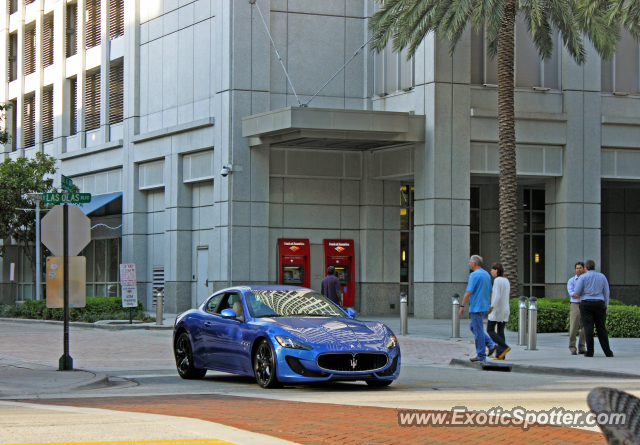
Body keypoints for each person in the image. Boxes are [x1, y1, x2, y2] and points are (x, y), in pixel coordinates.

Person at [572, 260, 613, 358]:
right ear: (594, 267)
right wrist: (606, 305)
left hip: (586, 303)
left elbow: (577, 292)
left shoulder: (582, 277)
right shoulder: (602, 276)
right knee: (601, 328)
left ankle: (590, 352)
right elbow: (606, 292)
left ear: (585, 268)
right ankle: (608, 352)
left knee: (588, 328)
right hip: (599, 303)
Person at [459, 255, 496, 362]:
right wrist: (489, 304)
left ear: (474, 263)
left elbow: (468, 292)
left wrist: (462, 306)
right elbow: (490, 291)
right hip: (483, 306)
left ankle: (481, 355)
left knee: (478, 330)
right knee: (474, 328)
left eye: (470, 262)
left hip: (476, 306)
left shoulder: (474, 275)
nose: (469, 263)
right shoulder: (486, 274)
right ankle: (490, 344)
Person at [487, 263, 511, 360]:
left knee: (490, 329)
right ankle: (500, 354)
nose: (491, 272)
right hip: (505, 309)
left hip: (497, 309)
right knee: (500, 331)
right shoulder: (506, 280)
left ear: (496, 270)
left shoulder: (497, 280)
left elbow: (497, 296)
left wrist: (492, 307)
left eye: (492, 270)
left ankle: (504, 346)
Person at [567, 261, 587, 355]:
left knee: (585, 327)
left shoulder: (587, 279)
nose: (579, 269)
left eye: (580, 268)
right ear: (575, 270)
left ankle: (582, 347)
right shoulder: (571, 280)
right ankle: (572, 347)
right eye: (577, 268)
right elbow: (572, 294)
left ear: (584, 269)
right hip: (575, 305)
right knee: (573, 327)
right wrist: (583, 296)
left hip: (585, 304)